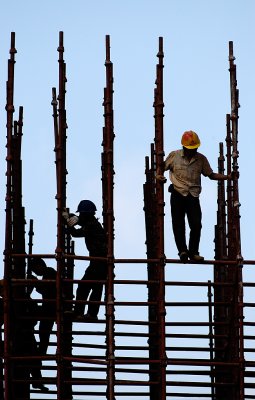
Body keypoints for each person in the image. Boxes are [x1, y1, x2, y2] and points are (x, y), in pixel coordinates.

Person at [157, 130, 238, 262]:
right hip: (177, 193)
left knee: (196, 225)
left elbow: (211, 175)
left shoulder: (201, 159)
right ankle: (183, 251)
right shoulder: (175, 156)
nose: (192, 151)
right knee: (178, 224)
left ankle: (193, 252)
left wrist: (228, 177)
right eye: (190, 149)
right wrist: (158, 175)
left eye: (194, 148)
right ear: (184, 147)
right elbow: (162, 166)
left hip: (193, 196)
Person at [62, 200, 107, 321]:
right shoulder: (92, 223)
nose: (80, 216)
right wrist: (71, 217)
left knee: (84, 287)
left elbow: (76, 233)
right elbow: (80, 221)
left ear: (86, 214)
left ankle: (79, 312)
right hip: (100, 262)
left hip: (98, 262)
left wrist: (68, 221)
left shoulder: (92, 226)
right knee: (95, 288)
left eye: (82, 214)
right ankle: (90, 314)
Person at [29, 258, 57, 354]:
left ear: (39, 266)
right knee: (44, 330)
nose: (35, 273)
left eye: (35, 270)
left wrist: (36, 283)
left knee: (44, 330)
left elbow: (48, 291)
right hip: (50, 306)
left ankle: (41, 351)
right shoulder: (49, 272)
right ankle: (41, 350)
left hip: (51, 307)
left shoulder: (49, 272)